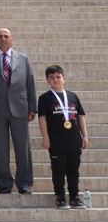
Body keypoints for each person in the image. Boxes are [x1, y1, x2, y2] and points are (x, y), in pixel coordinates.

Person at [0, 28, 37, 194]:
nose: (3, 39)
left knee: (23, 147)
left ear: (12, 39)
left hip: (20, 108)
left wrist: (32, 106)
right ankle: (4, 183)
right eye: (0, 36)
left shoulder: (23, 58)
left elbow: (30, 83)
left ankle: (25, 183)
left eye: (6, 36)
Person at [37, 64, 88, 209]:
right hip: (56, 140)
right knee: (58, 169)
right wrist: (45, 137)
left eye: (58, 77)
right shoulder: (45, 98)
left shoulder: (72, 96)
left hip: (74, 139)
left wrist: (85, 136)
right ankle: (60, 197)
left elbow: (80, 117)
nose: (55, 80)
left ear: (64, 78)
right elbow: (42, 118)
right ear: (47, 80)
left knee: (73, 169)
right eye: (52, 78)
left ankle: (74, 197)